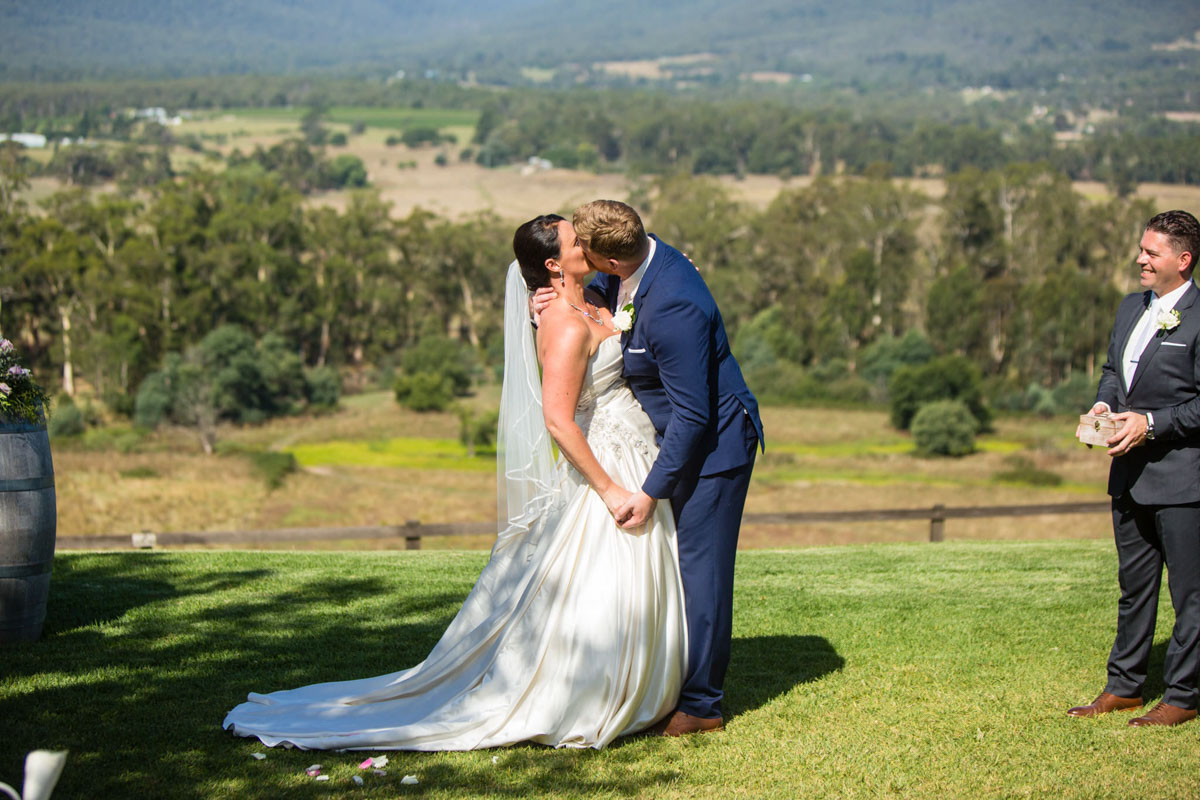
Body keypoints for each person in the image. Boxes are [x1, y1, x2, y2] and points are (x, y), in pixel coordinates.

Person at [222, 214, 686, 750]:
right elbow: (558, 421)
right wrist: (607, 489)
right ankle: (588, 690)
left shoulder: (598, 301)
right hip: (603, 466)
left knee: (627, 579)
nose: (587, 240)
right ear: (554, 263)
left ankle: (639, 682)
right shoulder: (561, 320)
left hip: (634, 452)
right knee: (597, 579)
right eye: (575, 239)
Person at [538, 200, 763, 736]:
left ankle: (702, 704)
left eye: (585, 254)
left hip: (715, 445)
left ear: (612, 260)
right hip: (665, 435)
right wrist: (548, 303)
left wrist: (649, 490)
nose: (583, 262)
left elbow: (693, 414)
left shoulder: (673, 306)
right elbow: (603, 304)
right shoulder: (636, 256)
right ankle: (660, 678)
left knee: (701, 570)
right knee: (670, 563)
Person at [1068, 209, 1200, 727]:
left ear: (1183, 261)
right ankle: (1123, 687)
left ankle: (1184, 696)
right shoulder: (1129, 308)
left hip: (1185, 480)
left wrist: (1150, 423)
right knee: (1134, 587)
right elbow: (1111, 373)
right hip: (1128, 477)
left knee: (1191, 596)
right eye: (1141, 249)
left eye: (1152, 252)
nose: (1139, 258)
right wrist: (1103, 408)